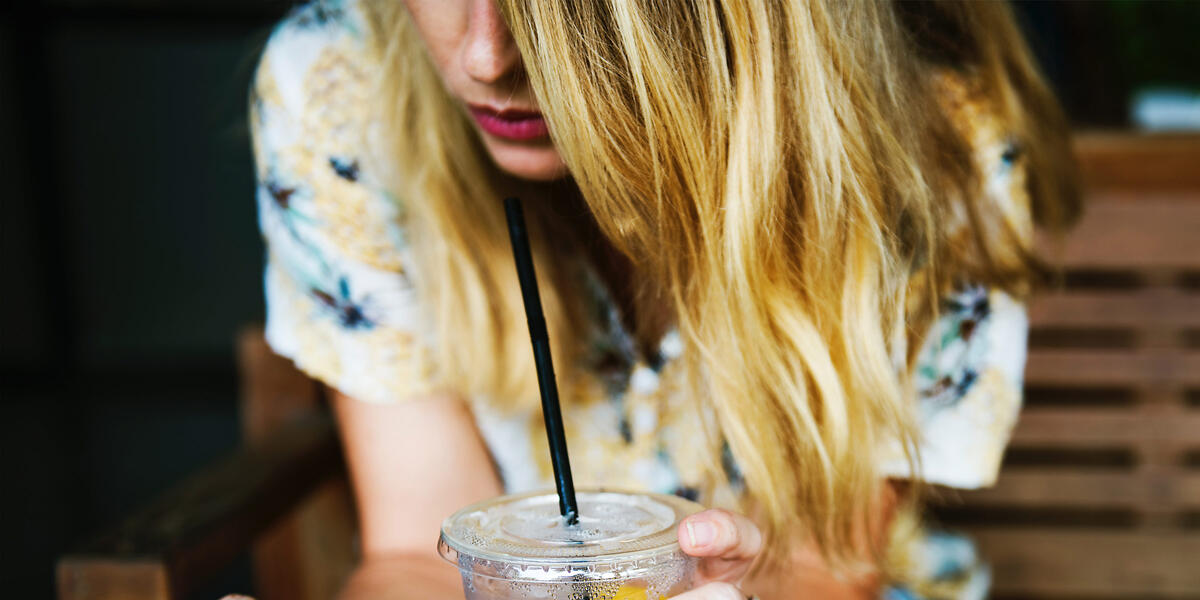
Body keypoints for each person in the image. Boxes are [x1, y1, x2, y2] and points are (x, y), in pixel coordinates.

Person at [249, 0, 1079, 598]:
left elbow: (831, 570)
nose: (484, 58)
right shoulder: (340, 88)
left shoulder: (931, 143)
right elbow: (418, 555)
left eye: (561, 14)